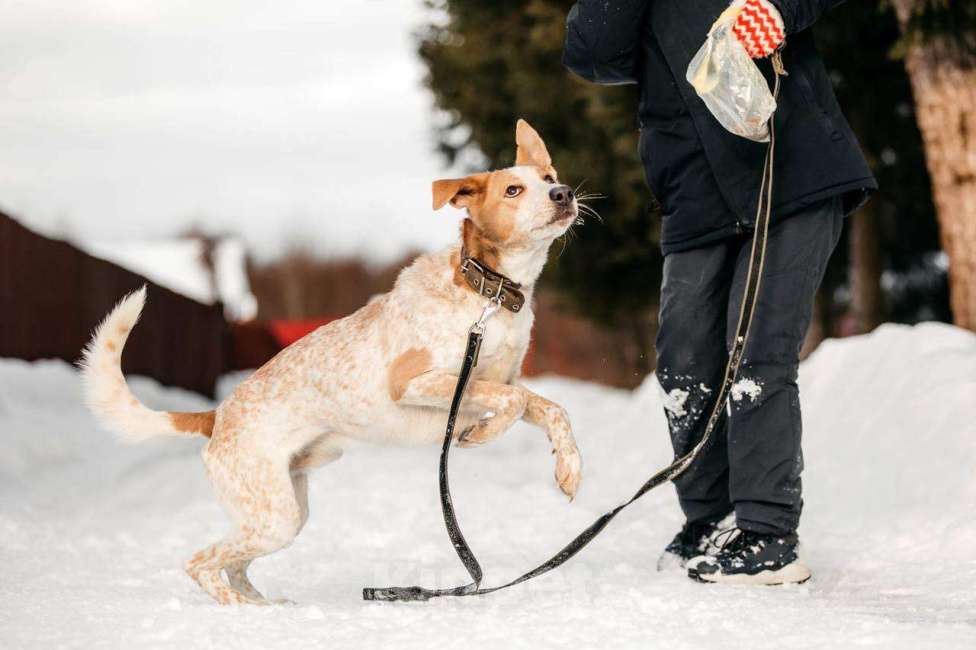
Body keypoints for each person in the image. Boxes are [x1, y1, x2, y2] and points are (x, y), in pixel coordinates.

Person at [563, 0, 876, 585]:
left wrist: (781, 10)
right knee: (684, 363)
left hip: (791, 171)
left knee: (756, 351)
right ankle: (710, 520)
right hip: (694, 193)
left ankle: (768, 535)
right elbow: (592, 54)